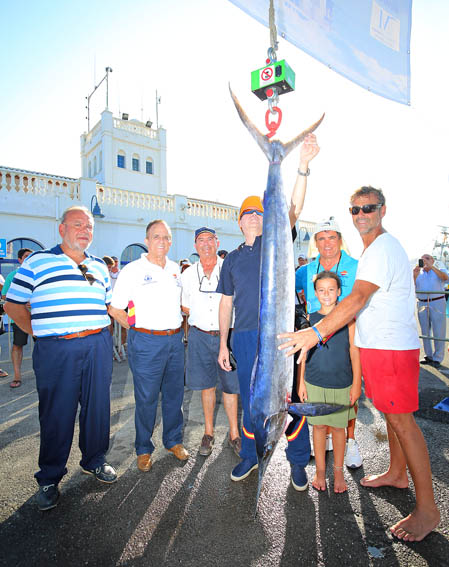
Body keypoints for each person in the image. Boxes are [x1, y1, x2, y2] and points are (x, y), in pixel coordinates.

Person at [279, 186, 440, 542]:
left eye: (368, 208)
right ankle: (398, 472)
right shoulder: (372, 250)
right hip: (379, 347)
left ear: (383, 210)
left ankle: (428, 509)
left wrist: (314, 333)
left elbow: (357, 297)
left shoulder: (382, 248)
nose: (361, 214)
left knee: (403, 422)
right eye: (355, 209)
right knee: (388, 414)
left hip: (392, 350)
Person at [218, 133, 320, 489]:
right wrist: (222, 345)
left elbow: (293, 209)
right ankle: (250, 455)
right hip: (245, 336)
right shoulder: (230, 259)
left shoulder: (276, 240)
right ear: (240, 221)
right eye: (248, 214)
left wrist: (301, 165)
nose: (254, 219)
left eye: (260, 214)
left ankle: (296, 462)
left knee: (287, 400)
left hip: (278, 335)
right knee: (252, 403)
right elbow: (226, 303)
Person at [4, 206, 116, 511]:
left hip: (97, 343)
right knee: (57, 412)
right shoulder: (39, 262)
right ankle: (50, 477)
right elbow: (13, 305)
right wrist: (37, 332)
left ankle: (94, 460)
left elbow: (109, 305)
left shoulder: (100, 267)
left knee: (97, 408)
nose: (85, 230)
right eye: (78, 224)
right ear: (62, 229)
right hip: (56, 348)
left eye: (89, 226)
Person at [109, 220, 188, 473]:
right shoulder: (132, 270)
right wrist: (138, 330)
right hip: (146, 341)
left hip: (175, 340)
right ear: (147, 240)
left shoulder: (176, 270)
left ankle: (173, 441)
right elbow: (115, 308)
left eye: (166, 237)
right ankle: (143, 448)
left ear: (170, 241)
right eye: (156, 237)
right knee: (146, 398)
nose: (162, 241)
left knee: (175, 395)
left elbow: (183, 306)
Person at [296, 218, 362, 469]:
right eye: (321, 238)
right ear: (316, 243)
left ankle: (352, 440)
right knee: (321, 399)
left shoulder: (356, 266)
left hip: (348, 336)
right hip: (316, 343)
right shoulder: (306, 270)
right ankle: (323, 445)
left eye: (331, 237)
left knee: (347, 392)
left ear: (340, 239)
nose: (327, 243)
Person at [298, 271, 361, 493]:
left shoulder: (349, 319)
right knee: (318, 427)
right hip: (314, 382)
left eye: (331, 290)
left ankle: (338, 473)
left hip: (342, 383)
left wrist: (356, 384)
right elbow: (303, 353)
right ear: (315, 293)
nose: (326, 294)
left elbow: (355, 352)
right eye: (322, 290)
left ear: (339, 292)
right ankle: (320, 472)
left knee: (338, 429)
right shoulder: (309, 319)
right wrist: (301, 383)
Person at [181, 227, 240, 457]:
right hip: (199, 335)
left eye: (209, 240)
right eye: (200, 240)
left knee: (230, 386)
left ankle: (234, 434)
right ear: (195, 245)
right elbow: (185, 306)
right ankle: (208, 432)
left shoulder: (230, 269)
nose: (205, 244)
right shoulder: (187, 274)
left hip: (228, 335)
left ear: (217, 242)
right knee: (206, 386)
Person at [1, 248, 33, 388]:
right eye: (26, 256)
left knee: (44, 346)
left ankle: (46, 374)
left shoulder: (40, 275)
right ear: (20, 260)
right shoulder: (13, 276)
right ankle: (17, 376)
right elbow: (4, 296)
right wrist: (20, 301)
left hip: (40, 317)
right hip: (20, 317)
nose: (29, 259)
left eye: (31, 256)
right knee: (18, 345)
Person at [414, 254, 448, 369]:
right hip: (422, 302)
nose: (424, 261)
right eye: (422, 259)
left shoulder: (440, 270)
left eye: (427, 258)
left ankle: (438, 357)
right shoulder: (418, 273)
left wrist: (432, 267)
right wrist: (414, 275)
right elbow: (411, 286)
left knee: (439, 330)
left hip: (437, 302)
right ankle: (428, 356)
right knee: (424, 331)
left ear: (433, 261)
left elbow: (445, 278)